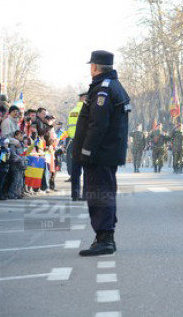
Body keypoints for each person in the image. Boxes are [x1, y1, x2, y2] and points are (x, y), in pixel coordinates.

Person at [74, 50, 130, 256]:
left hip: (100, 154)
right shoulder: (110, 86)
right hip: (106, 153)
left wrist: (87, 152)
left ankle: (104, 239)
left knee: (99, 195)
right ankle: (105, 238)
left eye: (91, 65)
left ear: (95, 67)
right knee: (104, 193)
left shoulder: (103, 90)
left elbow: (98, 125)